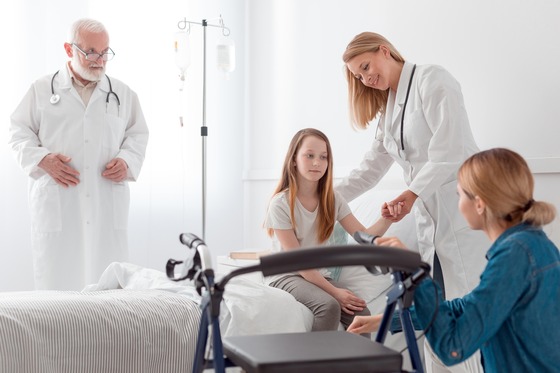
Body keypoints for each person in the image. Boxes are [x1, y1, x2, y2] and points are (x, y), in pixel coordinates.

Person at [337, 31, 489, 372]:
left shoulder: (432, 80)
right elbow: (369, 170)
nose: (366, 78)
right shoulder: (388, 110)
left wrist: (410, 193)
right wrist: (320, 197)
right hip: (428, 225)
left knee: (464, 314)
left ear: (384, 50)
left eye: (365, 67)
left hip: (461, 215)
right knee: (434, 315)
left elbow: (450, 151)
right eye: (358, 76)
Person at [348, 148, 560, 373]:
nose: (458, 205)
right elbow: (468, 307)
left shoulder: (514, 255)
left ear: (479, 204)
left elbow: (452, 347)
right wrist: (387, 320)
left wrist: (414, 269)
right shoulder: (530, 245)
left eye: (459, 195)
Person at [8, 18, 149, 291]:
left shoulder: (122, 93)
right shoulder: (41, 89)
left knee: (107, 294)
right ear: (68, 49)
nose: (100, 60)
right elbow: (18, 132)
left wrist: (127, 160)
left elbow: (138, 134)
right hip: (60, 205)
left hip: (105, 205)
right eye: (91, 52)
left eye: (105, 52)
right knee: (58, 297)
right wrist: (42, 159)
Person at [264, 128, 397, 333]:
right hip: (285, 274)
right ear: (294, 160)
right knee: (328, 306)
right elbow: (299, 261)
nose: (317, 162)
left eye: (323, 157)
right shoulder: (280, 203)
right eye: (309, 155)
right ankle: (316, 364)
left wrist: (386, 219)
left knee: (362, 314)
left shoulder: (333, 200)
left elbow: (364, 237)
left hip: (318, 276)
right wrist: (335, 292)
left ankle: (361, 366)